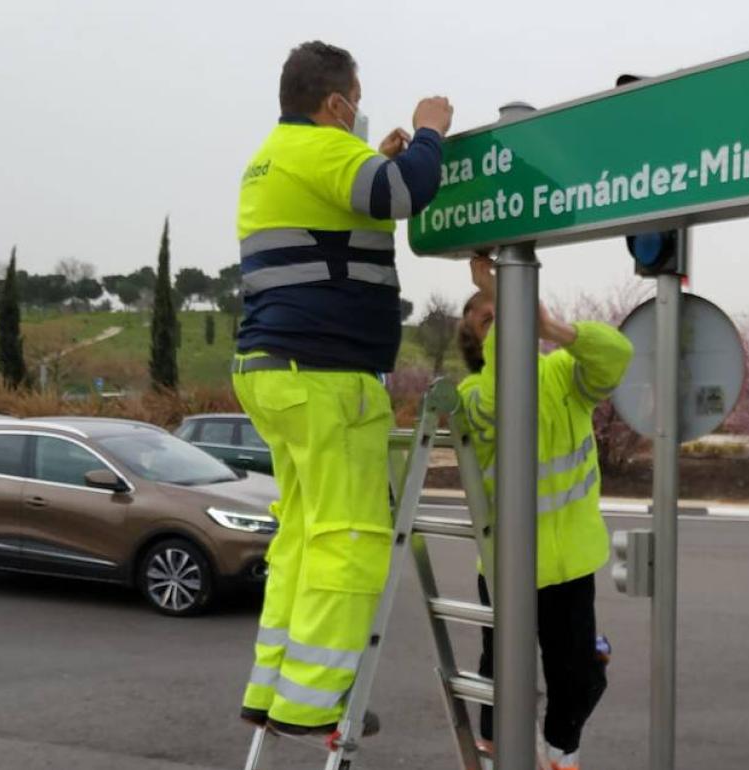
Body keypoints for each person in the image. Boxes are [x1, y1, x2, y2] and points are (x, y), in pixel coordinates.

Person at [232, 41, 453, 738]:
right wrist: (429, 132)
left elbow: (354, 199)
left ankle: (274, 689)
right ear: (335, 104)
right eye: (355, 102)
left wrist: (377, 154)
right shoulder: (321, 151)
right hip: (324, 375)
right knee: (350, 536)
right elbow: (400, 192)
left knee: (300, 535)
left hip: (275, 373)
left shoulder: (273, 155)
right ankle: (314, 702)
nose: (359, 115)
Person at [456, 256, 634, 770]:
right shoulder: (470, 397)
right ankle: (497, 756)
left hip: (572, 563)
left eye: (508, 313)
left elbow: (617, 356)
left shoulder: (563, 375)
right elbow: (498, 398)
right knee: (501, 678)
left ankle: (561, 752)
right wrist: (507, 309)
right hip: (508, 566)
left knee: (577, 678)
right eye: (489, 321)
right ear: (477, 344)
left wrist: (553, 327)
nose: (503, 323)